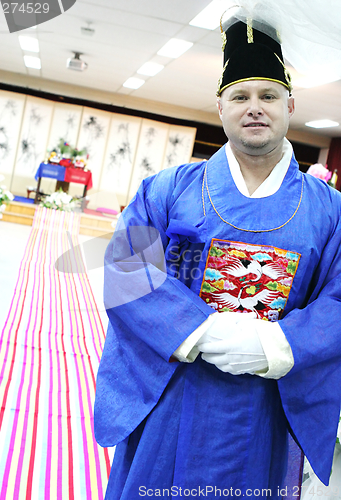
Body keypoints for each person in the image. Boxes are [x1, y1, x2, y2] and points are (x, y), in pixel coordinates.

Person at [94, 10, 341, 500]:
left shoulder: (331, 212)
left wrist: (278, 346)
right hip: (172, 390)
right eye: (240, 96)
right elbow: (127, 266)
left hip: (264, 402)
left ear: (289, 105)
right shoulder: (167, 189)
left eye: (268, 95)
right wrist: (199, 329)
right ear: (221, 107)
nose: (255, 107)